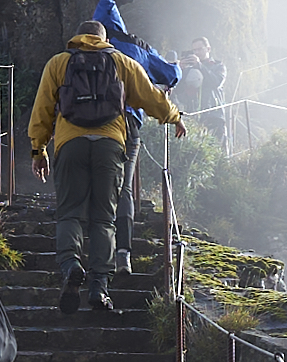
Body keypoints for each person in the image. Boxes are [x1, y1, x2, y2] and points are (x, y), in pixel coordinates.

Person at [28, 22, 184, 314]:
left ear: (77, 37)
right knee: (103, 219)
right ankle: (99, 288)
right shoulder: (122, 62)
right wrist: (174, 117)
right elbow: (151, 97)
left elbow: (43, 109)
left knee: (70, 212)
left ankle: (71, 265)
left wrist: (39, 149)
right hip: (110, 144)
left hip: (70, 144)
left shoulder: (59, 63)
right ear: (105, 39)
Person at [92, 0, 181, 277]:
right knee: (123, 189)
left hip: (82, 127)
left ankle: (86, 254)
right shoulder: (136, 47)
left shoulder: (81, 48)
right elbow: (169, 73)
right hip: (126, 124)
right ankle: (122, 254)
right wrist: (176, 71)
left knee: (89, 186)